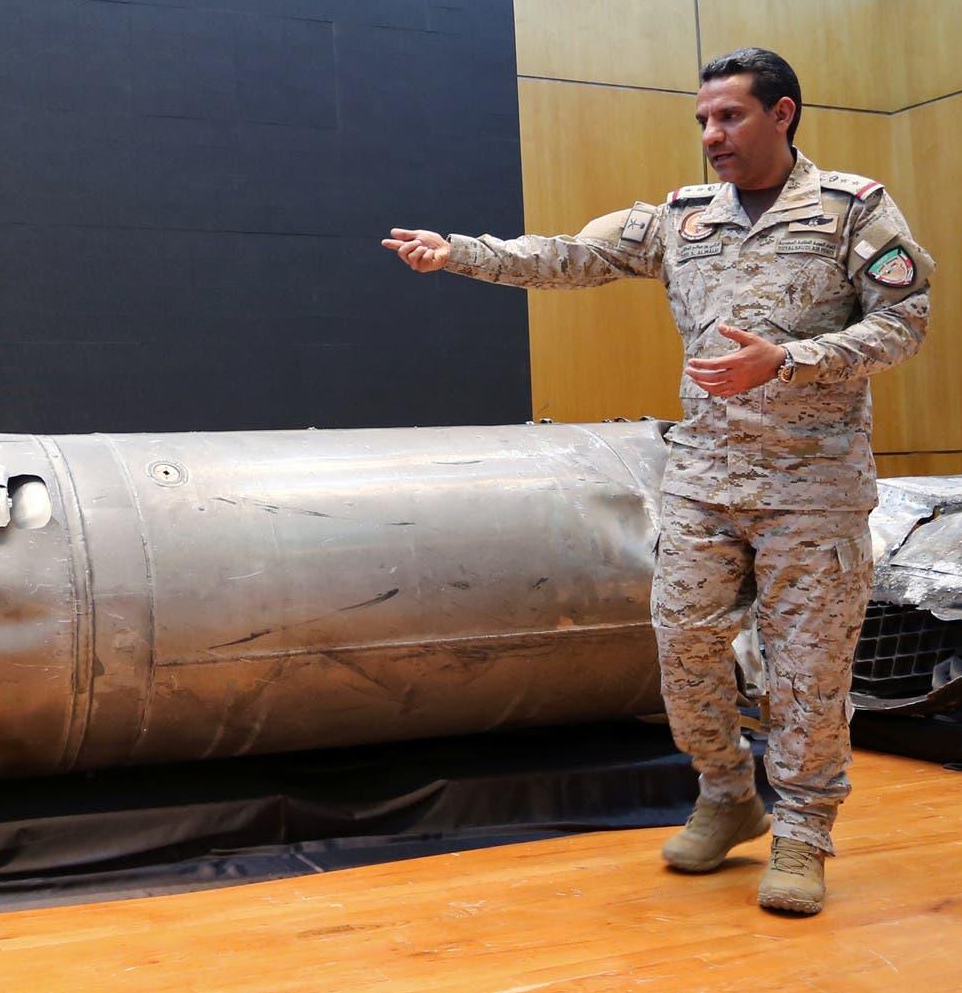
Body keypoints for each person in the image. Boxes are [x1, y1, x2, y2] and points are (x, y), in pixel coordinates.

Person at [382, 48, 932, 916]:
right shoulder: (681, 219)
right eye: (703, 119)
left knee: (807, 669)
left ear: (782, 114)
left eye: (730, 116)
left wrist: (790, 360)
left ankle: (803, 834)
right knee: (684, 648)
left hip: (812, 490)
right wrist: (456, 253)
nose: (712, 134)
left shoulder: (849, 209)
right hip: (704, 482)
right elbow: (568, 257)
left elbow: (905, 319)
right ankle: (727, 794)